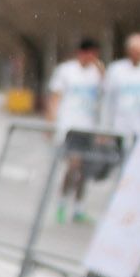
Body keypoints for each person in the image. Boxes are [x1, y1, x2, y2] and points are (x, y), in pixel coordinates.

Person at [46, 38, 104, 224]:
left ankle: (79, 207)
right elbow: (55, 97)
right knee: (73, 166)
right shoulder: (67, 71)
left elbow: (107, 95)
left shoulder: (98, 73)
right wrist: (51, 123)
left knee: (85, 170)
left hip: (89, 127)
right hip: (70, 127)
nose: (92, 58)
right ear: (81, 53)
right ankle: (62, 203)